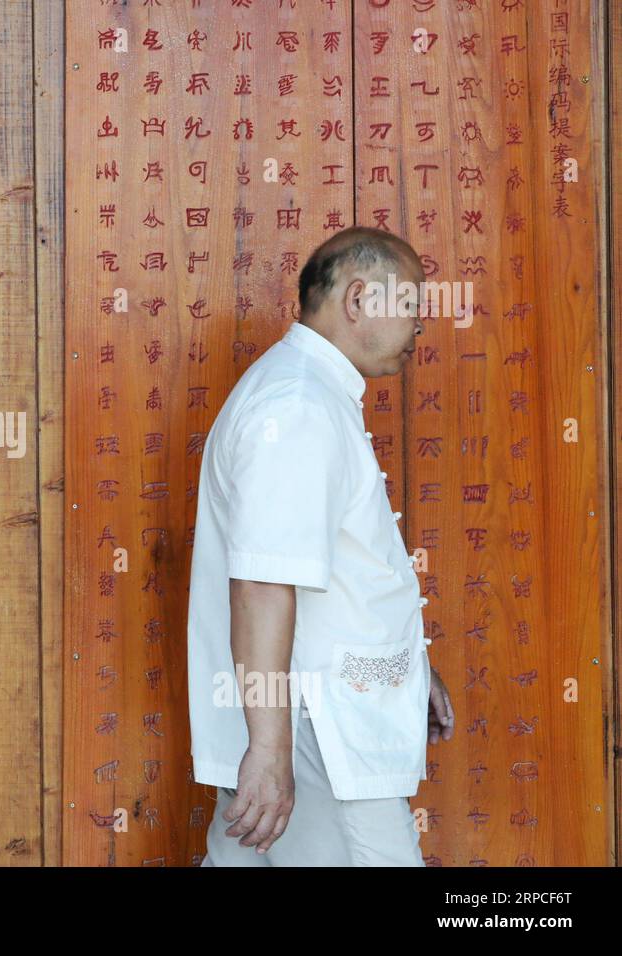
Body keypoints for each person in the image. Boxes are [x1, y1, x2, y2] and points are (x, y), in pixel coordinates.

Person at [188, 227, 455, 866]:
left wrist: (410, 667)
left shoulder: (310, 393)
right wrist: (272, 750)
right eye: (411, 304)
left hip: (307, 721)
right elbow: (262, 584)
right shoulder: (299, 405)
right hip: (318, 732)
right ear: (359, 299)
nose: (421, 326)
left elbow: (339, 575)